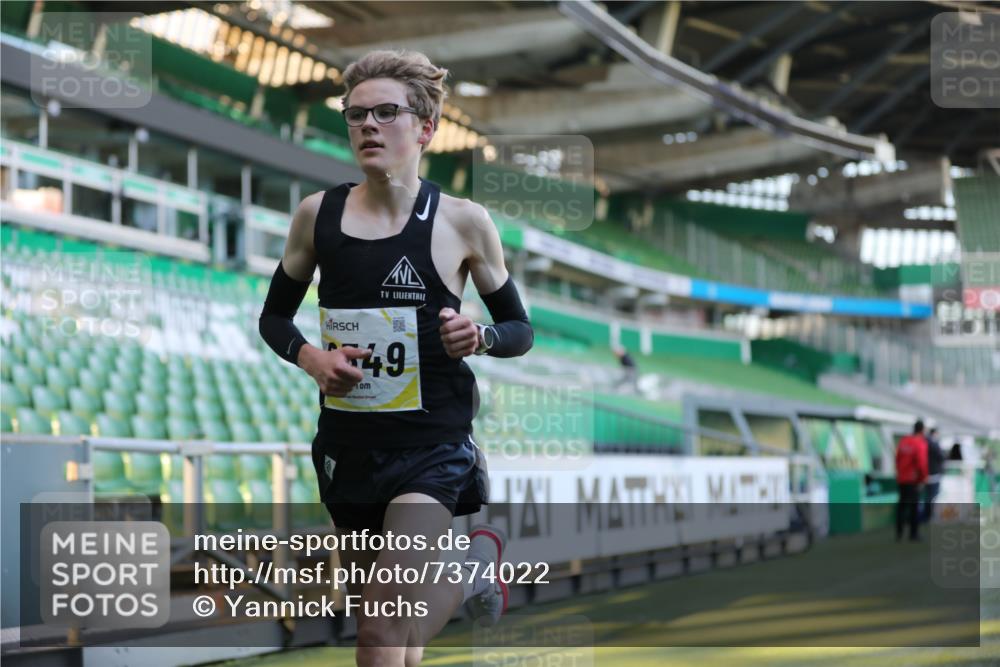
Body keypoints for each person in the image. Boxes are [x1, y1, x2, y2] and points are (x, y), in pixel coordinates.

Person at [258, 49, 533, 667]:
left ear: (425, 127)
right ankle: (464, 576)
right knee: (398, 638)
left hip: (432, 446)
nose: (368, 126)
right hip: (347, 446)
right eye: (356, 116)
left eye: (386, 113)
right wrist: (310, 359)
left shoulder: (464, 221)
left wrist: (480, 337)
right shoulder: (317, 215)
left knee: (377, 636)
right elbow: (273, 318)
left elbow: (518, 328)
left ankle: (460, 573)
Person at [895, 420, 929, 542]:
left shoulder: (904, 441)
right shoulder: (920, 443)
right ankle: (913, 534)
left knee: (901, 506)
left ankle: (899, 533)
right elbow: (921, 463)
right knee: (914, 507)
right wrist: (923, 478)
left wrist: (899, 473)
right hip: (913, 480)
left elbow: (898, 459)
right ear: (922, 430)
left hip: (902, 478)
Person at [921, 427, 944, 523]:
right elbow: (941, 457)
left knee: (928, 496)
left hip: (925, 474)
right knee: (932, 496)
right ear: (935, 433)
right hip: (933, 474)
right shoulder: (934, 444)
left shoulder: (923, 442)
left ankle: (927, 515)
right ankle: (929, 516)